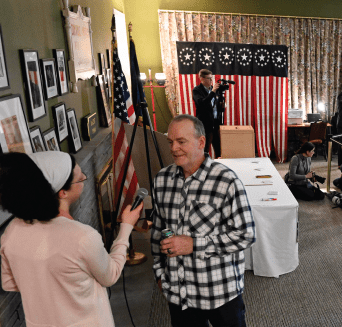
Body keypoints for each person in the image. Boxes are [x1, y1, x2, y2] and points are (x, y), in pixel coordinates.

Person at [0, 151, 143, 327]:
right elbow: (110, 275)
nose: (84, 176)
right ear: (62, 193)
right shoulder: (82, 236)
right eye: (79, 177)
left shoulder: (11, 231)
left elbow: (10, 283)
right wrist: (126, 227)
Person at [151, 114, 256, 327]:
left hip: (220, 294)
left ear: (201, 142)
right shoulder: (162, 180)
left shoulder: (226, 181)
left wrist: (193, 245)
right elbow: (157, 231)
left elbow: (246, 234)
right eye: (171, 142)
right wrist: (159, 273)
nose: (173, 148)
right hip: (180, 296)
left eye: (181, 142)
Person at [192, 69, 223, 157]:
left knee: (219, 149)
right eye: (209, 78)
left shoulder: (215, 90)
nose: (211, 81)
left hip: (216, 124)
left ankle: (218, 166)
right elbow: (202, 103)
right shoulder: (197, 90)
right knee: (205, 149)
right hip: (205, 125)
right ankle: (204, 167)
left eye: (211, 78)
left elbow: (217, 106)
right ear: (202, 79)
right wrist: (212, 92)